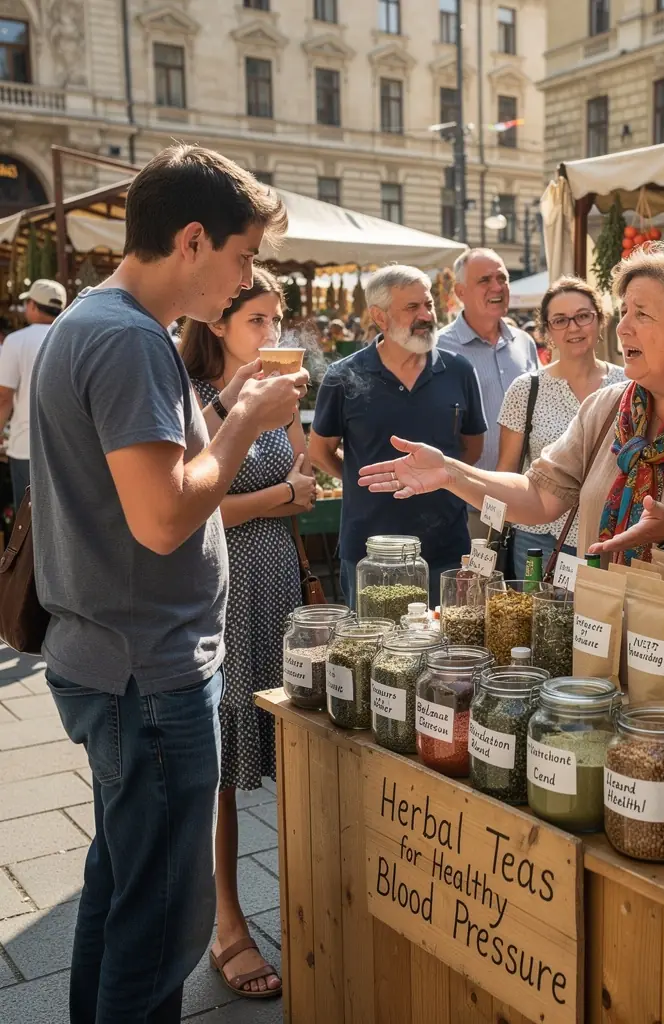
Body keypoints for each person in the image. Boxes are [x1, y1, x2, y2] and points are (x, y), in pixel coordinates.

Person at [30, 144, 305, 1024]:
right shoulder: (127, 340)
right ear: (192, 239)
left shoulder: (98, 322)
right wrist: (249, 423)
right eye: (243, 255)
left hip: (114, 658)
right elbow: (161, 517)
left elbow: (146, 483)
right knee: (160, 925)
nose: (246, 276)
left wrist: (223, 410)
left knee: (121, 892)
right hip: (147, 672)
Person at [357, 243, 664, 566]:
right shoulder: (609, 408)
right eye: (623, 311)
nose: (623, 328)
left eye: (642, 314)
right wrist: (452, 473)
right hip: (601, 634)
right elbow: (538, 498)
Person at [180, 266, 315, 999]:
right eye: (258, 320)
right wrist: (280, 496)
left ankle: (306, 910)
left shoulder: (281, 393)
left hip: (277, 588)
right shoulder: (199, 401)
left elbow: (303, 489)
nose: (273, 334)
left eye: (276, 319)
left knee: (287, 752)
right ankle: (227, 925)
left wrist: (297, 492)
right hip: (224, 591)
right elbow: (191, 508)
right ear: (219, 325)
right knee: (227, 775)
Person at [308, 265, 486, 605]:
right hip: (368, 552)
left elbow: (472, 448)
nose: (426, 315)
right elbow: (319, 452)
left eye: (428, 305)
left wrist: (439, 480)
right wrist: (366, 480)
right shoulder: (343, 376)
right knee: (371, 651)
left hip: (445, 549)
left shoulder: (459, 371)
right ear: (380, 317)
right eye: (412, 307)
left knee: (444, 649)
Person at [496, 276, 626, 577]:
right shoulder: (526, 389)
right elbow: (506, 470)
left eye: (582, 316)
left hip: (607, 536)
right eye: (560, 320)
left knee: (599, 622)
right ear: (547, 331)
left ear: (599, 320)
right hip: (537, 537)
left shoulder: (629, 386)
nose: (573, 327)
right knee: (538, 623)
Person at [437, 248, 538, 535]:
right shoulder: (438, 349)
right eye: (485, 280)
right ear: (460, 291)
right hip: (469, 502)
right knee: (475, 580)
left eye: (502, 278)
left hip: (527, 499)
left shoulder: (524, 343)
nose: (497, 287)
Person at [0, 278, 66, 504]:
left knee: (28, 529)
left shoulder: (16, 341)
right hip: (68, 449)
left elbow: (3, 397)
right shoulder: (74, 338)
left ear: (34, 306)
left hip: (26, 446)